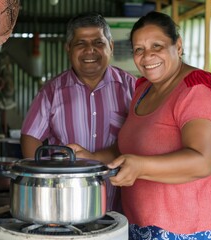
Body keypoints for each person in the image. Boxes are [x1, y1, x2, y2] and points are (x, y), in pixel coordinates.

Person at [68, 11, 211, 239]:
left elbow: (202, 162)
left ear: (178, 46)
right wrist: (91, 157)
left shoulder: (197, 89)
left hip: (195, 230)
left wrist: (140, 167)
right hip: (143, 225)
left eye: (157, 46)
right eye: (139, 49)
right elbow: (131, 149)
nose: (147, 56)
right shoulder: (143, 90)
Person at [20, 12, 136, 212]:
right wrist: (45, 185)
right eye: (80, 43)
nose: (90, 50)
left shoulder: (132, 88)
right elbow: (30, 137)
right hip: (66, 206)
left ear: (111, 46)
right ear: (68, 49)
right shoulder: (51, 92)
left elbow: (141, 138)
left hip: (120, 206)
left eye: (98, 43)